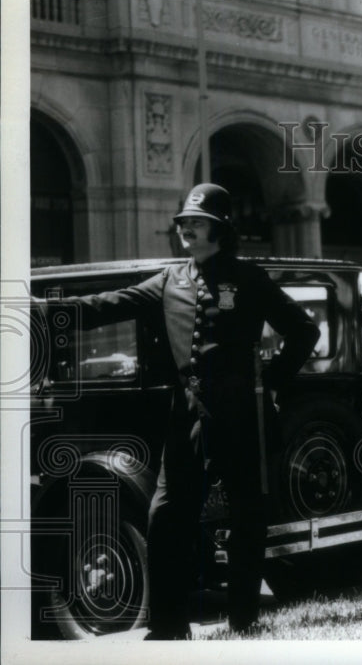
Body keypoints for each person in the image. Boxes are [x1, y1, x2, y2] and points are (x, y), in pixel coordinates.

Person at [41, 184, 319, 639]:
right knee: (166, 516)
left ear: (220, 228)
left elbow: (305, 331)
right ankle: (169, 625)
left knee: (247, 519)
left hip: (241, 416)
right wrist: (46, 312)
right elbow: (110, 304)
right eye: (184, 222)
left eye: (197, 221)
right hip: (186, 416)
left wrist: (271, 384)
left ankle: (244, 618)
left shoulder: (249, 279)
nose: (187, 228)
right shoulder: (171, 279)